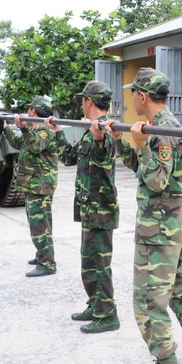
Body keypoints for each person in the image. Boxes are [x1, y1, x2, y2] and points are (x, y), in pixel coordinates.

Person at [104, 67, 182, 364]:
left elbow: (156, 181)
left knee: (148, 300)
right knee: (181, 291)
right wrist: (123, 142)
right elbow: (142, 168)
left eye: (132, 94)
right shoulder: (158, 126)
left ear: (142, 96)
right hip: (173, 227)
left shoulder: (163, 130)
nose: (131, 99)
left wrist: (141, 144)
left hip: (159, 231)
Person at [47, 81, 121, 334]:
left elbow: (104, 155)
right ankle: (95, 304)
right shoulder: (90, 131)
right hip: (89, 208)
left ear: (89, 101)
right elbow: (68, 158)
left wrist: (100, 138)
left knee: (99, 264)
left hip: (101, 209)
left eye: (83, 99)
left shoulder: (108, 130)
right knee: (88, 261)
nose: (81, 103)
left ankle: (107, 314)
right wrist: (57, 131)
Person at [4, 95, 63, 278]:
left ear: (32, 111)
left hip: (40, 185)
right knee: (38, 223)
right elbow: (20, 144)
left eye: (30, 109)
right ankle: (42, 255)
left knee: (40, 225)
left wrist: (23, 129)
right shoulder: (33, 128)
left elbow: (36, 146)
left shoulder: (45, 130)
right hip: (33, 184)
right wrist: (5, 129)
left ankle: (47, 264)